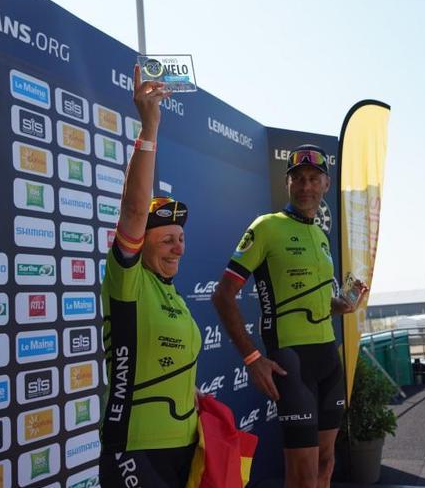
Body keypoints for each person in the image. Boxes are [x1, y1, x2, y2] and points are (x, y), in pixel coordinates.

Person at [212, 145, 368, 488]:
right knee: (302, 476)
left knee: (326, 465)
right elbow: (222, 294)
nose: (305, 186)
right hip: (291, 362)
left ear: (326, 184)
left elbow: (311, 298)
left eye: (313, 179)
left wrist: (338, 305)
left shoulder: (320, 235)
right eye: (298, 179)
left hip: (329, 358)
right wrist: (252, 358)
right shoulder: (267, 227)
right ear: (288, 184)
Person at [99, 65, 200, 488]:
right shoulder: (128, 282)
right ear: (143, 243)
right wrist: (150, 126)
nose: (178, 245)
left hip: (187, 446)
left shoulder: (172, 295)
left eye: (181, 238)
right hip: (135, 446)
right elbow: (135, 212)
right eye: (167, 238)